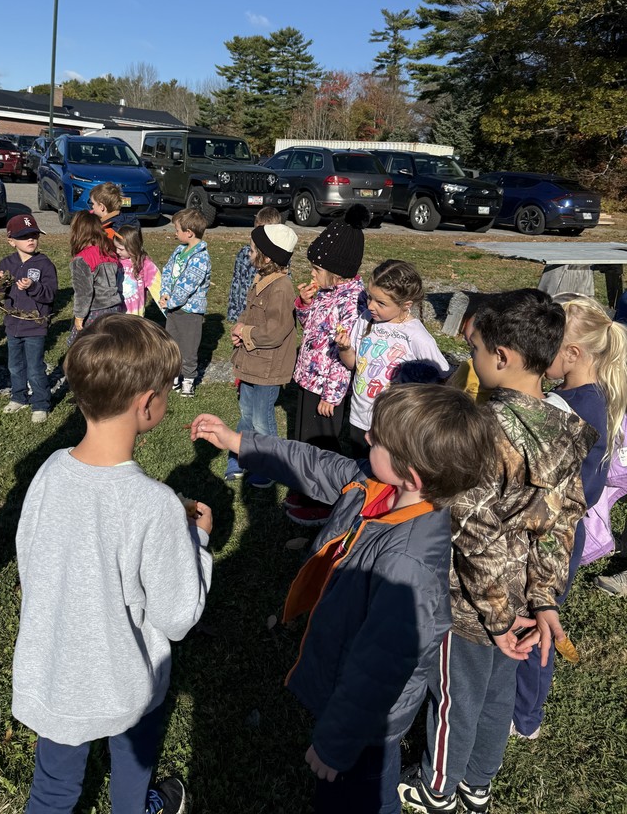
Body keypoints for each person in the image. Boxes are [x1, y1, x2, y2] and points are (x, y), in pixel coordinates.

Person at [190, 385, 497, 814]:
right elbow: (313, 465)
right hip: (348, 691)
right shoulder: (376, 484)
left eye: (378, 438)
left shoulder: (408, 563)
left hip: (366, 725)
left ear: (412, 476)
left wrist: (337, 743)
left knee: (359, 796)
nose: (367, 437)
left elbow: (379, 670)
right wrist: (240, 442)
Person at [399, 289, 598, 814]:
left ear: (502, 357)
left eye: (475, 350)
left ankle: (436, 789)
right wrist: (543, 598)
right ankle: (478, 785)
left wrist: (496, 615)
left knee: (454, 699)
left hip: (470, 605)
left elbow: (474, 532)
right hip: (523, 605)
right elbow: (562, 522)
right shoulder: (563, 428)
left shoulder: (482, 432)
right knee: (495, 697)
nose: (472, 359)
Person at [12, 314, 212, 814]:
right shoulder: (155, 504)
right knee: (133, 763)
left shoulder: (49, 471)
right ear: (147, 404)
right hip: (130, 680)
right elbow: (177, 617)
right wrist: (198, 543)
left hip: (55, 672)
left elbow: (30, 560)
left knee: (52, 790)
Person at [513, 294, 627, 737]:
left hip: (554, 534)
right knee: (536, 613)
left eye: (547, 347)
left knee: (537, 619)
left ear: (573, 353)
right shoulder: (591, 395)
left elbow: (574, 484)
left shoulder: (576, 408)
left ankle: (525, 716)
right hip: (561, 530)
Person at [288, 204, 367, 526]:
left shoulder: (352, 301)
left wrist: (332, 395)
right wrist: (305, 304)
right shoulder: (326, 292)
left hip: (326, 389)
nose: (312, 274)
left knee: (322, 444)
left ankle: (324, 500)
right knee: (303, 438)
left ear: (337, 271)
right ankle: (305, 487)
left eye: (316, 269)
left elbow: (345, 351)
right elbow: (311, 328)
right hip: (309, 378)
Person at [335, 260, 450, 460]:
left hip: (392, 426)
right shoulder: (365, 319)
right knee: (360, 467)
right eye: (370, 297)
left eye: (381, 303)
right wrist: (345, 349)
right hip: (359, 418)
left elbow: (443, 377)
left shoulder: (417, 337)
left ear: (406, 305)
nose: (370, 306)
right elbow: (353, 364)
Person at [224, 222, 298, 486]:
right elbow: (248, 313)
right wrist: (239, 328)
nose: (249, 253)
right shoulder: (260, 281)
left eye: (253, 250)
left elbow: (275, 331)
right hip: (251, 362)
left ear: (267, 258)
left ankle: (269, 467)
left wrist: (246, 332)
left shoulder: (281, 288)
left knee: (261, 419)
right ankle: (240, 457)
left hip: (267, 368)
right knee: (246, 414)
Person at [0, 214, 58, 425]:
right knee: (15, 366)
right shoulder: (7, 263)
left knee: (35, 368)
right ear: (11, 241)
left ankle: (40, 404)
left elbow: (50, 295)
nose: (31, 240)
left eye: (34, 235)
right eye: (24, 236)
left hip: (35, 326)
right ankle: (18, 397)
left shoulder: (44, 264)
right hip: (13, 325)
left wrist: (33, 287)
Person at [159, 208, 211, 399]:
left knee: (189, 347)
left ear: (189, 232)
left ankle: (188, 379)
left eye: (177, 230)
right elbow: (167, 271)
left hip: (190, 312)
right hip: (173, 309)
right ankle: (173, 375)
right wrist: (165, 293)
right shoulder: (179, 250)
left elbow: (187, 284)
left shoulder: (201, 258)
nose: (175, 233)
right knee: (172, 343)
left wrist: (171, 301)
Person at [69, 210, 123, 342]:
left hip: (95, 311)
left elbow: (84, 292)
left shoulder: (81, 260)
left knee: (80, 345)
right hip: (114, 308)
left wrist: (79, 316)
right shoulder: (110, 253)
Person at [226, 205, 282, 322]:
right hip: (244, 309)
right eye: (257, 230)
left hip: (263, 313)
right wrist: (233, 311)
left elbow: (282, 283)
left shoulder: (278, 258)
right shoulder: (244, 253)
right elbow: (236, 282)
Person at [111, 223, 162, 317]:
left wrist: (167, 306)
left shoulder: (145, 265)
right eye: (116, 248)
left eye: (121, 249)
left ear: (132, 247)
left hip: (134, 314)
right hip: (116, 312)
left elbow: (158, 288)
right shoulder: (114, 260)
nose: (117, 251)